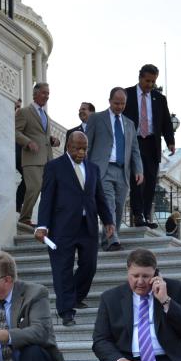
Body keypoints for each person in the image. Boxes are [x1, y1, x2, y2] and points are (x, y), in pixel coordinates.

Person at [35, 132, 114, 327]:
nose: (81, 152)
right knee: (62, 269)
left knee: (89, 265)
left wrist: (108, 221)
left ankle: (76, 296)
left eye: (84, 148)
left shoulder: (93, 168)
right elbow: (47, 198)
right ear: (68, 146)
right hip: (61, 227)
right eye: (77, 148)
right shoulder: (54, 167)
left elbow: (99, 197)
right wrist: (42, 225)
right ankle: (66, 311)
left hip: (88, 226)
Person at [86, 87, 144, 251]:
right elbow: (87, 144)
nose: (119, 106)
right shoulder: (96, 118)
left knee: (119, 207)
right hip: (102, 170)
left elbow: (135, 149)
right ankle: (112, 240)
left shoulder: (130, 124)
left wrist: (139, 170)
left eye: (122, 103)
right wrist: (83, 168)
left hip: (123, 172)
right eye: (116, 103)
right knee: (108, 205)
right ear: (110, 101)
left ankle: (109, 239)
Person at [123, 64, 175, 229]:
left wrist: (170, 141)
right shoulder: (127, 94)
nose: (150, 84)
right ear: (140, 78)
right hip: (134, 142)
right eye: (147, 81)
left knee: (151, 181)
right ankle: (138, 215)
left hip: (152, 144)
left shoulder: (159, 98)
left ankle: (146, 215)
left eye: (153, 81)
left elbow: (166, 121)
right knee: (138, 179)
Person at [15, 83, 60, 227]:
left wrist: (53, 140)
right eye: (44, 93)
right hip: (32, 159)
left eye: (48, 93)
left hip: (47, 159)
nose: (47, 96)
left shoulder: (45, 115)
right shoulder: (24, 112)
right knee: (34, 187)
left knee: (48, 191)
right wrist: (28, 142)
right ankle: (24, 218)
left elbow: (43, 135)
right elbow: (15, 131)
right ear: (35, 94)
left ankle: (46, 220)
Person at [15, 98, 26, 215]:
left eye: (18, 107)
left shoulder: (22, 121)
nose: (16, 109)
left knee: (28, 176)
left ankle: (18, 205)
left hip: (18, 152)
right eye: (15, 106)